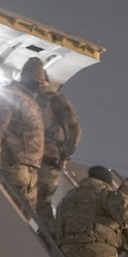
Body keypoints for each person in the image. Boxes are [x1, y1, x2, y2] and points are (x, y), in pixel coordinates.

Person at [0, 58, 45, 207]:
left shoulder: (31, 100)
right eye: (35, 80)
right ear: (25, 77)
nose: (38, 85)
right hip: (13, 165)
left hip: (31, 169)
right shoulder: (10, 94)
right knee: (6, 211)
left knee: (22, 218)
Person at [34, 75, 80, 218]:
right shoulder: (55, 100)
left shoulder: (23, 98)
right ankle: (46, 237)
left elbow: (73, 130)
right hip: (46, 159)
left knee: (34, 200)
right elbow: (73, 131)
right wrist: (64, 156)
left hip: (35, 159)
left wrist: (64, 156)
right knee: (41, 201)